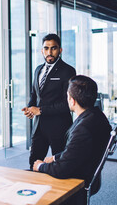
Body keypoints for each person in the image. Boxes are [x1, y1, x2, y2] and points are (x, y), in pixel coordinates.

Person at [33, 75, 112, 204]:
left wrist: (41, 166)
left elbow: (62, 170)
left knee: (30, 179)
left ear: (72, 100)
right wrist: (55, 157)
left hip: (78, 181)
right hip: (88, 172)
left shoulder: (83, 129)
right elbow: (79, 151)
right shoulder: (97, 116)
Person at [22, 33, 76, 170]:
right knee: (34, 164)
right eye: (46, 48)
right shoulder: (38, 70)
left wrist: (40, 110)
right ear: (42, 50)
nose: (49, 52)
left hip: (59, 127)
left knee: (61, 166)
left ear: (60, 50)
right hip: (39, 127)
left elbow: (67, 104)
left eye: (53, 48)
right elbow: (35, 95)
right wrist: (29, 109)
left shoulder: (68, 71)